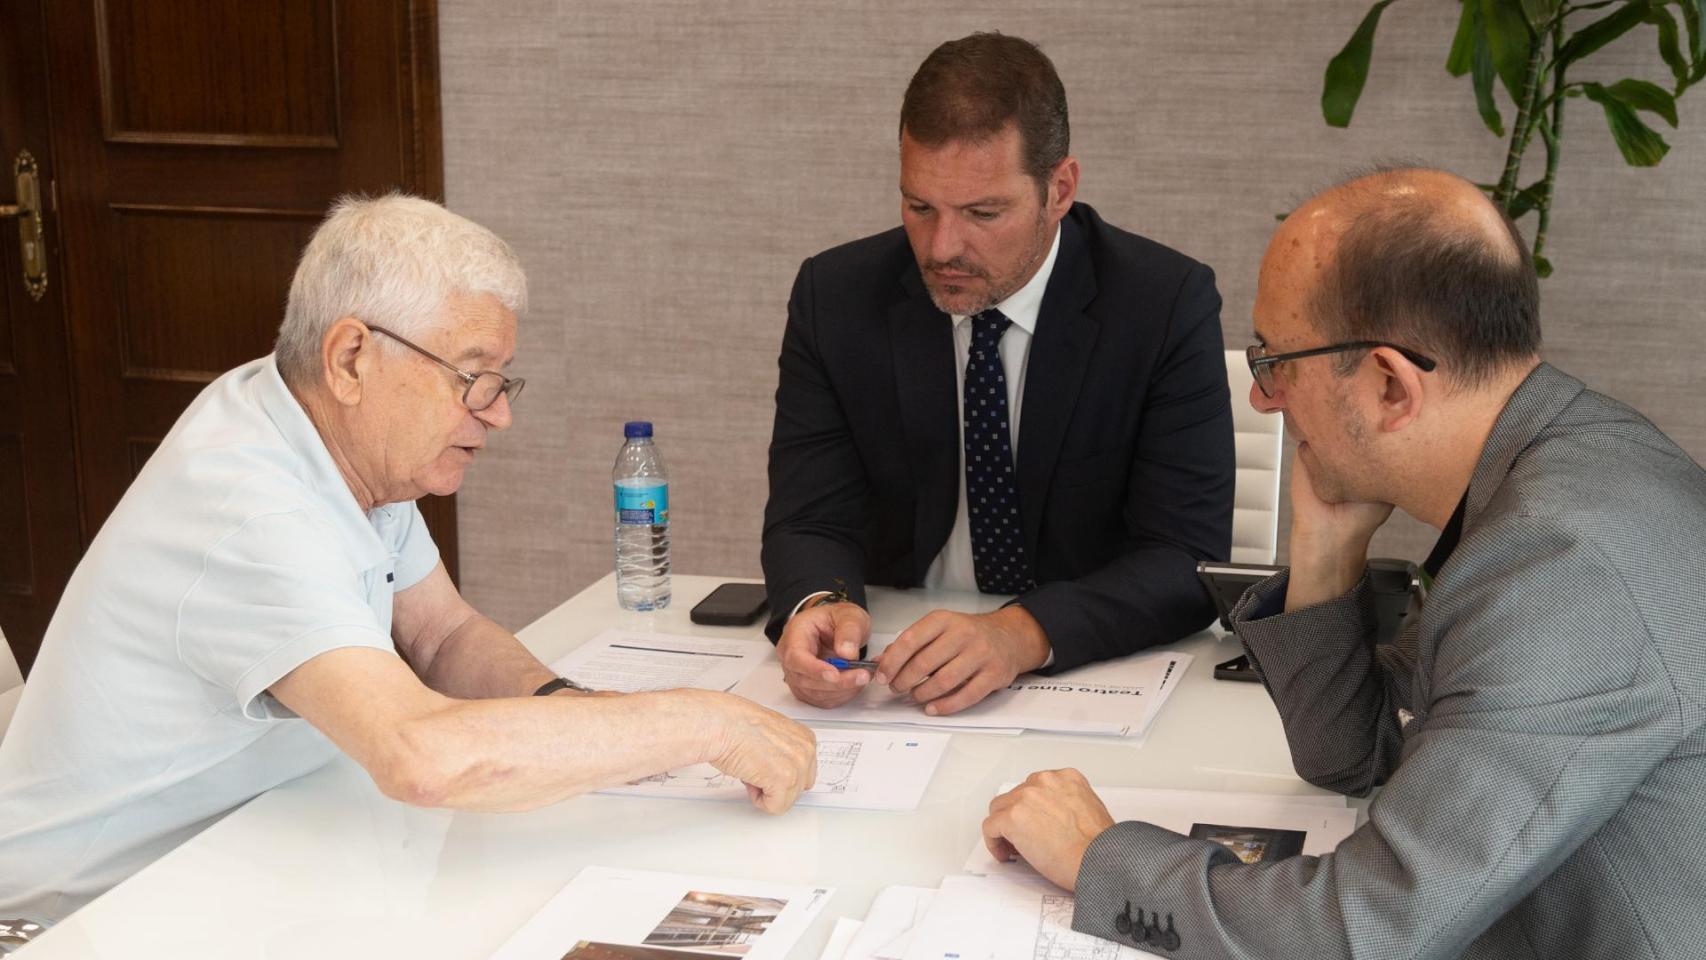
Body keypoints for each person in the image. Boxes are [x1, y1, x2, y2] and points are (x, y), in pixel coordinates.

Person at [0, 195, 817, 924]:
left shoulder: (320, 427)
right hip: (95, 915)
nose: (498, 416)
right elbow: (418, 758)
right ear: (353, 357)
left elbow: (441, 635)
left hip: (253, 847)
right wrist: (703, 724)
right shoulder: (250, 508)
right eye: (474, 380)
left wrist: (573, 711)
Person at [982, 168, 1706, 958]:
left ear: (1391, 386)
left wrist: (1100, 859)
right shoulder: (1558, 463)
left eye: (1276, 360)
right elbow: (1358, 755)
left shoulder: (1557, 564)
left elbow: (1362, 931)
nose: (1263, 399)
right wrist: (1324, 547)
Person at [762, 32, 1234, 717]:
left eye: (984, 213)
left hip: (1085, 677)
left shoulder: (1161, 305)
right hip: (895, 676)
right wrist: (819, 602)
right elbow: (808, 516)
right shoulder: (836, 299)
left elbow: (1184, 558)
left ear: (1060, 189)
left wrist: (1020, 633)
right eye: (919, 207)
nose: (943, 247)